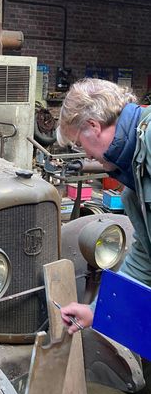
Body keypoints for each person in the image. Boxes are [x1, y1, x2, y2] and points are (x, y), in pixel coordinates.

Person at [56, 77, 151, 334]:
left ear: (93, 126)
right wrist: (97, 310)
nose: (85, 154)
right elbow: (144, 259)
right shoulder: (133, 181)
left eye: (79, 142)